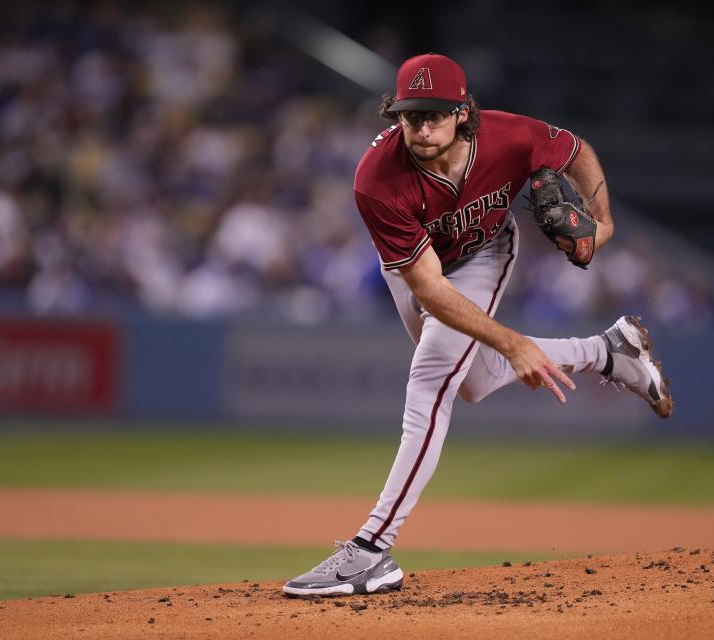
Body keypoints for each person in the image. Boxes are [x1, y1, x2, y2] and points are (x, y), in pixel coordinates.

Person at [283, 53, 673, 597]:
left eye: (434, 114)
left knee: (430, 383)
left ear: (463, 112)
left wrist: (603, 223)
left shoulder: (510, 137)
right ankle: (609, 351)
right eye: (410, 115)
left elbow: (575, 150)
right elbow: (431, 290)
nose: (421, 127)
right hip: (421, 270)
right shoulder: (376, 179)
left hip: (485, 251)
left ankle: (372, 548)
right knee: (474, 380)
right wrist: (511, 343)